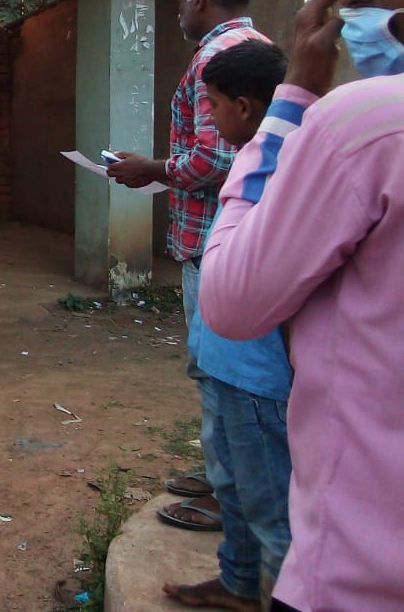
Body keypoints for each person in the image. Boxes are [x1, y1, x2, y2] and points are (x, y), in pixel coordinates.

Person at [201, 0, 404, 612]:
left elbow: (234, 299)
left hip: (357, 577)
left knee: (255, 478)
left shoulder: (366, 125)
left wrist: (292, 106)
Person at [107, 0, 268, 531]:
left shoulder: (215, 59)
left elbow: (216, 157)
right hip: (231, 234)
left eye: (179, 1)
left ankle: (231, 494)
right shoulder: (253, 46)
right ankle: (221, 473)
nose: (176, 11)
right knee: (223, 369)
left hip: (214, 239)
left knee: (219, 369)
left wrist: (150, 167)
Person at [162, 39, 293, 612]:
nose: (207, 117)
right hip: (224, 361)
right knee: (234, 488)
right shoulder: (250, 157)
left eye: (212, 105)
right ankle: (238, 583)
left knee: (272, 508)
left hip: (257, 374)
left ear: (245, 106)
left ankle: (284, 593)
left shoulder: (285, 168)